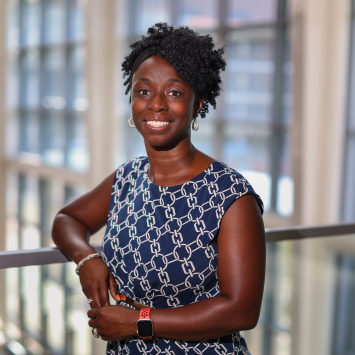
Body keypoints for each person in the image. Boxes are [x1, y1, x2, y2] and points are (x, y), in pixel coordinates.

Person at [52, 23, 265, 355]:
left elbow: (242, 311)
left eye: (175, 92)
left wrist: (140, 322)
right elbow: (67, 219)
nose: (156, 104)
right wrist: (87, 258)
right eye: (143, 91)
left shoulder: (230, 194)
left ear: (198, 105)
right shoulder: (128, 177)